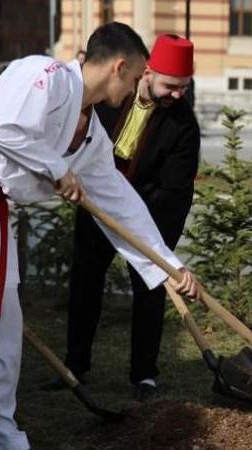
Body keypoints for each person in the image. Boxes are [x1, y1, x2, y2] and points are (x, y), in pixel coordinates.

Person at [0, 22, 200, 449]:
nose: (136, 90)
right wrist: (56, 168)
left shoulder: (93, 137)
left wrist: (169, 267)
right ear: (119, 67)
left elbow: (122, 205)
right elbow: (0, 129)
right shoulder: (44, 75)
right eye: (136, 78)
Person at [58, 34, 200, 401]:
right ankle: (75, 366)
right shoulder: (109, 97)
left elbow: (174, 190)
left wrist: (156, 245)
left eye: (184, 88)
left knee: (151, 289)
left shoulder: (183, 124)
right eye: (171, 86)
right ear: (147, 72)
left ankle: (144, 376)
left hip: (150, 215)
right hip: (95, 204)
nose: (177, 95)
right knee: (85, 281)